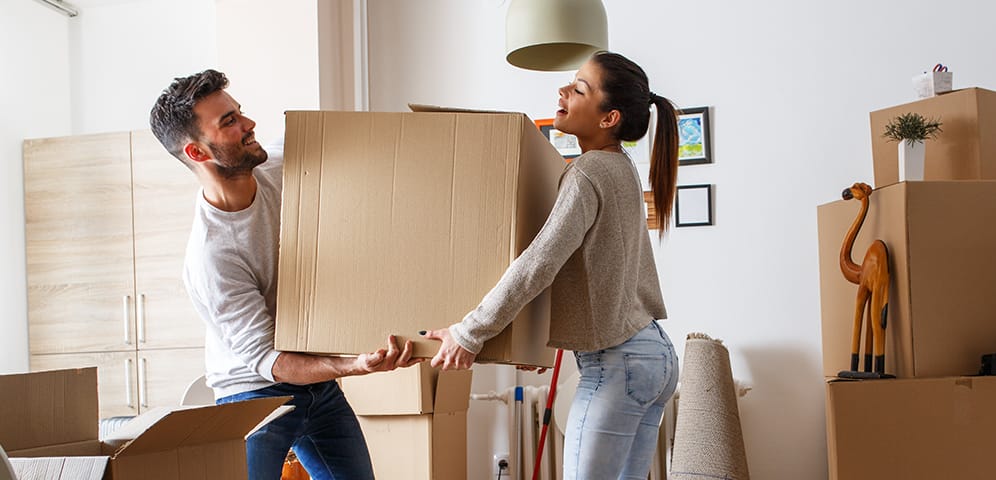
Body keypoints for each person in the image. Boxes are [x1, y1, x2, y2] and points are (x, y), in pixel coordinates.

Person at [149, 69, 420, 480]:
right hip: (253, 394)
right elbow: (266, 360)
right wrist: (353, 365)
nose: (248, 123)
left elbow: (335, 140)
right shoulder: (213, 255)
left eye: (239, 112)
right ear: (198, 153)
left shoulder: (280, 168)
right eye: (229, 122)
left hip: (316, 381)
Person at [425, 51, 681, 479]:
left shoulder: (588, 172)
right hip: (652, 355)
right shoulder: (619, 166)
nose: (563, 91)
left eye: (580, 88)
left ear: (608, 118)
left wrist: (468, 334)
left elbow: (538, 264)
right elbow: (594, 274)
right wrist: (540, 341)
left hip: (617, 366)